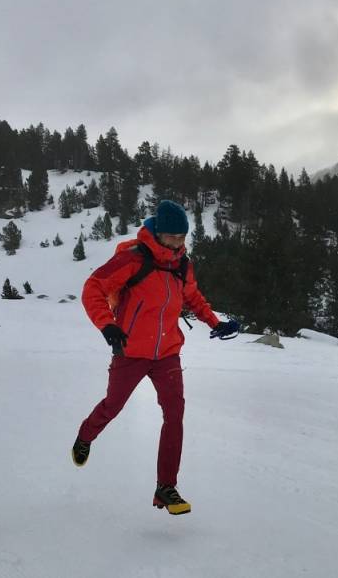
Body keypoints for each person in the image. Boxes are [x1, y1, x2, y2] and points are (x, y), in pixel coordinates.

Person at [72, 199, 240, 515]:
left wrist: (215, 322)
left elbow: (192, 298)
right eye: (173, 237)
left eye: (183, 237)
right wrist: (107, 325)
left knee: (174, 414)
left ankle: (166, 487)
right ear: (159, 233)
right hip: (131, 350)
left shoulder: (182, 265)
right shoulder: (134, 259)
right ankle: (85, 435)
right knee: (113, 405)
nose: (179, 243)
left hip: (167, 353)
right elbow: (92, 287)